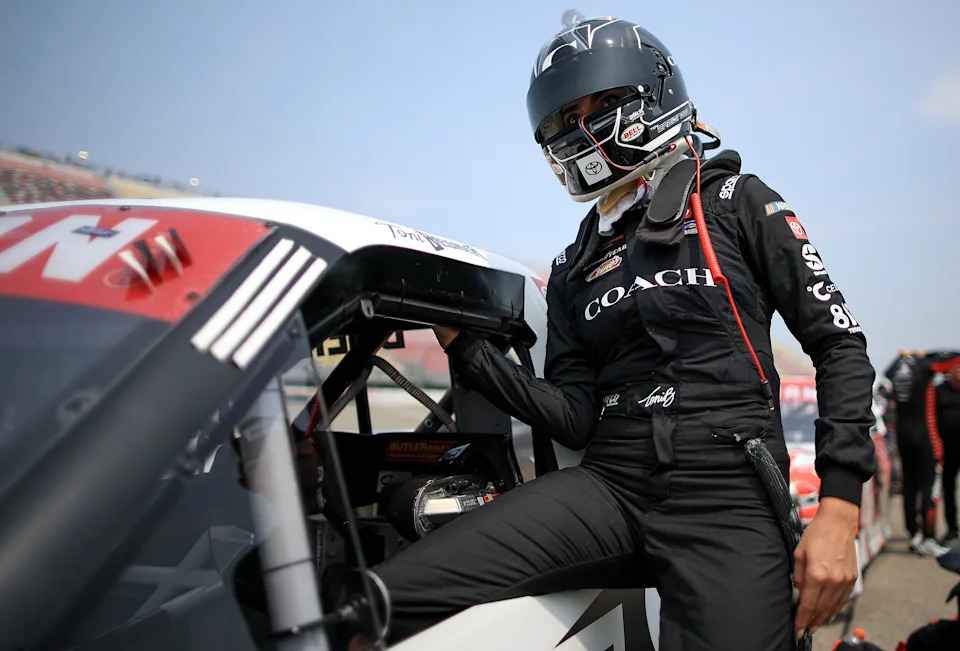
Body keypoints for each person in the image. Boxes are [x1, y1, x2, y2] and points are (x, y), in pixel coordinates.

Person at [367, 12, 877, 651]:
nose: (582, 127)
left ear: (654, 94)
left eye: (603, 103)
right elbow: (574, 417)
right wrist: (465, 346)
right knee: (379, 599)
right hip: (609, 485)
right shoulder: (573, 266)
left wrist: (839, 508)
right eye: (566, 116)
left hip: (726, 493)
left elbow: (840, 346)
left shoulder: (735, 200)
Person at [884, 349, 960, 556]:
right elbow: (954, 357)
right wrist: (925, 354)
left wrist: (902, 356)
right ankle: (928, 537)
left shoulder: (897, 368)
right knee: (930, 488)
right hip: (927, 439)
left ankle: (914, 535)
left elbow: (887, 374)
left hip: (903, 438)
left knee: (909, 487)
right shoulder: (925, 365)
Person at [935, 363, 960, 547]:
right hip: (947, 450)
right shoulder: (939, 391)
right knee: (948, 491)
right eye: (956, 368)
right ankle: (952, 530)